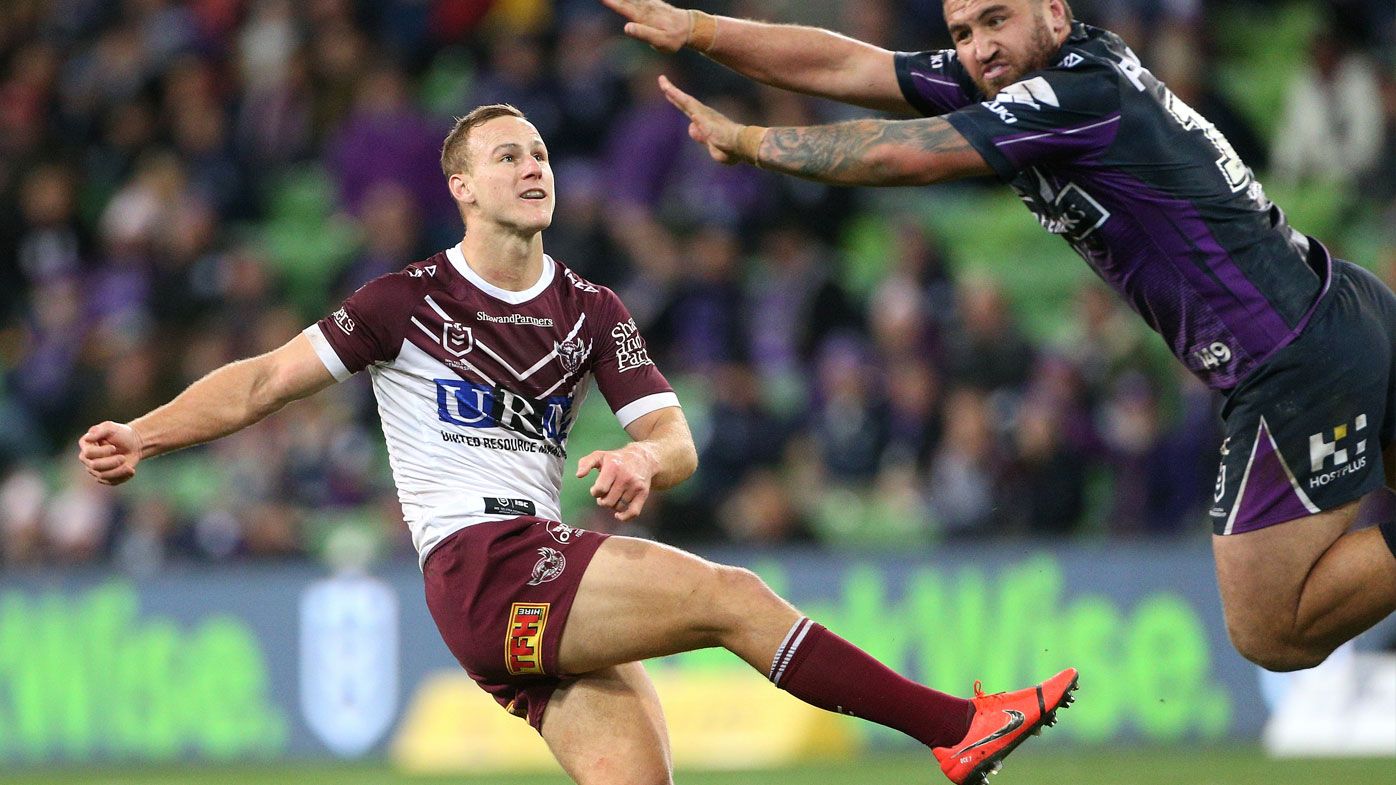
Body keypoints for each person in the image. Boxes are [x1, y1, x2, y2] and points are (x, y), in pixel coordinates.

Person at [77, 104, 1077, 785]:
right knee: (732, 596)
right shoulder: (404, 300)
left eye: (542, 155)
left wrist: (645, 459)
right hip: (481, 560)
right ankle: (955, 727)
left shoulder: (593, 310)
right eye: (507, 156)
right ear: (462, 186)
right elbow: (262, 380)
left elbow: (674, 438)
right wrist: (145, 434)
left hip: (529, 575)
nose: (532, 167)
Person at [598, 0, 1396, 675]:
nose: (979, 48)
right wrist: (700, 29)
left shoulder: (1075, 94)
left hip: (1290, 357)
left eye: (996, 20)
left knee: (1271, 630)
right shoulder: (1035, 76)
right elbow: (852, 66)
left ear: (1055, 12)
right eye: (962, 32)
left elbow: (907, 154)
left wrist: (752, 143)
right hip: (1339, 305)